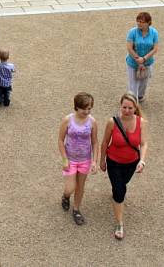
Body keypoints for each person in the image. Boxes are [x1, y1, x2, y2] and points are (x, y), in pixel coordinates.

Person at [99, 94, 148, 240]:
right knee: (120, 190)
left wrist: (142, 161)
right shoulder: (112, 122)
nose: (126, 110)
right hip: (114, 161)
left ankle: (116, 194)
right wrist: (102, 160)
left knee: (123, 184)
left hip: (132, 162)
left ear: (135, 108)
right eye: (124, 107)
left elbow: (144, 143)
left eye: (130, 108)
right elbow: (104, 142)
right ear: (120, 106)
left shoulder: (141, 122)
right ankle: (119, 223)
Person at [58, 92, 98, 226]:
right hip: (70, 159)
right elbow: (60, 140)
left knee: (80, 186)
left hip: (85, 160)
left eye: (89, 108)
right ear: (77, 107)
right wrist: (64, 160)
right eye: (84, 108)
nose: (87, 111)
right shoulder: (67, 120)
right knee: (70, 187)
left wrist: (94, 161)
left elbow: (95, 142)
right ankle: (66, 196)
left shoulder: (92, 121)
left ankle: (76, 209)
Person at [125, 12, 159, 102]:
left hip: (147, 62)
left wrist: (144, 59)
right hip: (133, 62)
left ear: (148, 23)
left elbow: (155, 48)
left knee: (144, 82)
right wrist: (138, 59)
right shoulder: (132, 32)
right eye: (138, 21)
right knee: (133, 84)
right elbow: (129, 47)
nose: (139, 23)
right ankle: (133, 101)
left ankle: (139, 96)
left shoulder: (154, 33)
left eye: (142, 22)